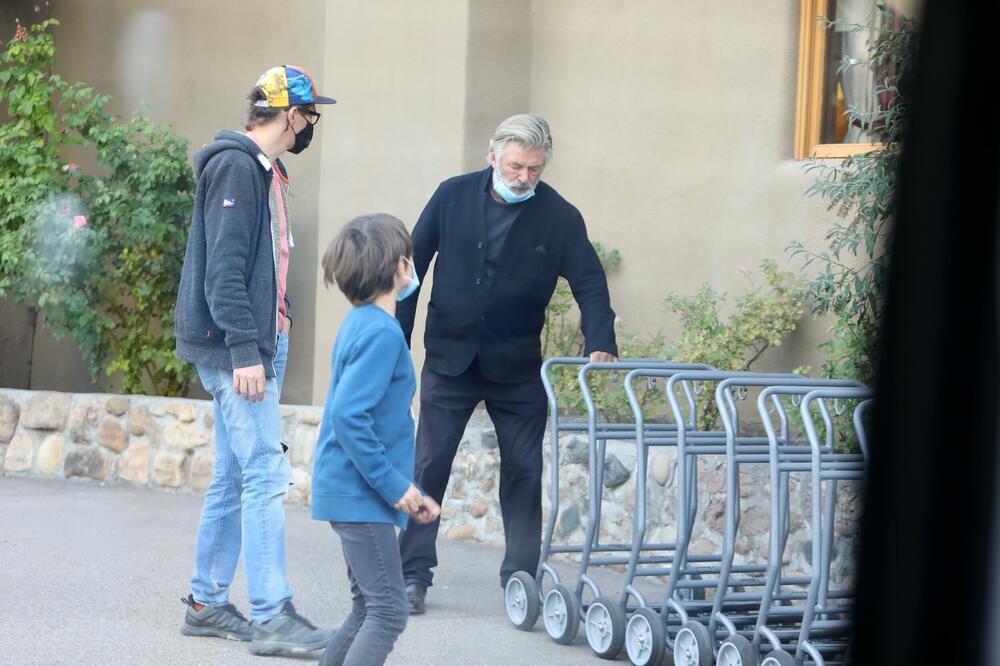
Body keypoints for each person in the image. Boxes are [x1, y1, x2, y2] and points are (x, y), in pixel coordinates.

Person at [395, 114, 619, 614]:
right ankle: (412, 576)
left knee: (524, 471)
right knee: (428, 465)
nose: (523, 178)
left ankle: (521, 577)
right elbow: (410, 267)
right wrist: (396, 341)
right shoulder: (451, 196)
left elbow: (589, 280)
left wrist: (599, 338)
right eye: (516, 166)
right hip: (450, 358)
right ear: (493, 156)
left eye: (534, 170)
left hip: (517, 367)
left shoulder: (560, 216)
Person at [173, 65, 336, 656]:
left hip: (257, 341)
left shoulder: (261, 169)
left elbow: (262, 264)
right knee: (267, 474)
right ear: (288, 114)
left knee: (237, 475)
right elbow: (223, 273)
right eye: (309, 114)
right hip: (238, 349)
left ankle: (206, 602)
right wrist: (246, 349)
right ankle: (272, 616)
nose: (311, 124)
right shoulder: (237, 166)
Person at [312, 213, 441, 666]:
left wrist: (405, 491)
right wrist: (397, 488)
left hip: (355, 490)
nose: (413, 264)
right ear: (397, 268)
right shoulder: (382, 332)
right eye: (409, 256)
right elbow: (350, 417)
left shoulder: (360, 322)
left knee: (368, 607)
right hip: (361, 493)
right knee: (388, 611)